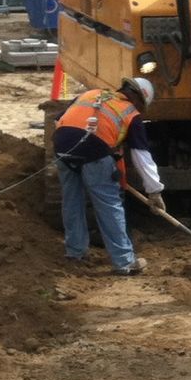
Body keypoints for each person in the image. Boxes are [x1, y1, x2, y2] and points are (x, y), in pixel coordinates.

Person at [53, 77, 166, 276]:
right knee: (108, 203)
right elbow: (142, 157)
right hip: (94, 151)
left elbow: (60, 119)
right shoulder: (131, 114)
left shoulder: (91, 94)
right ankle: (124, 262)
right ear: (138, 99)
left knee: (71, 200)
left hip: (62, 146)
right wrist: (154, 190)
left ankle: (75, 252)